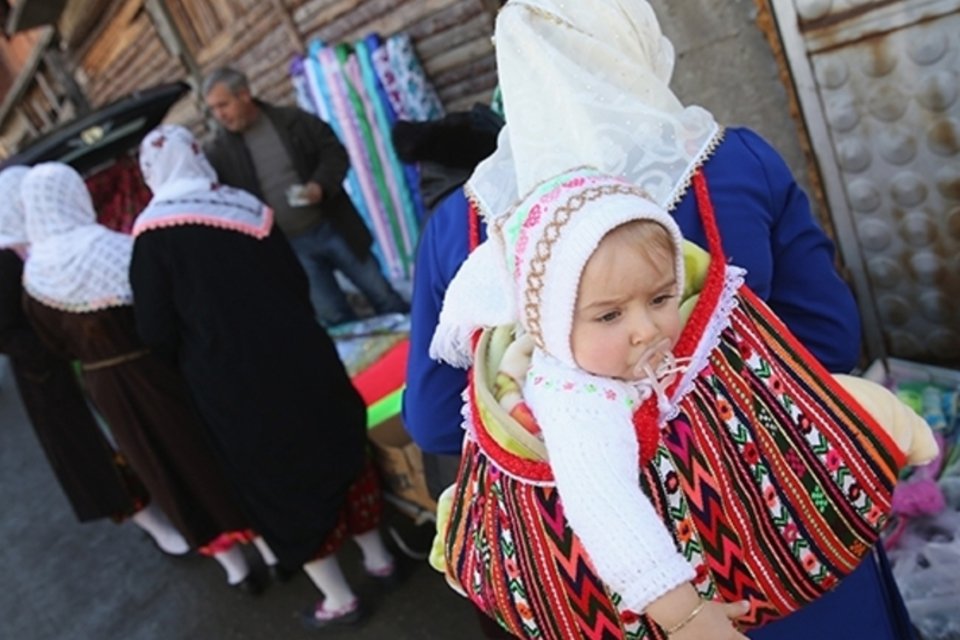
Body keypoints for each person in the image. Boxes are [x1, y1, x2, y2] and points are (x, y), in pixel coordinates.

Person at [407, 1, 915, 638]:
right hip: (788, 537)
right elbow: (830, 340)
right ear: (636, 42)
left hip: (611, 601)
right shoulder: (734, 163)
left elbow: (431, 420)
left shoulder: (462, 226)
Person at [130, 125, 397, 630]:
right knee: (337, 447)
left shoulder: (152, 237)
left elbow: (155, 331)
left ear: (152, 172)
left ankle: (340, 599)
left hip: (234, 383)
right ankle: (381, 560)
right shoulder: (246, 209)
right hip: (302, 354)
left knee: (281, 479)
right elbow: (296, 283)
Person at [19, 162, 263, 593]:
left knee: (157, 465)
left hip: (105, 386)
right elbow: (157, 311)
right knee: (204, 449)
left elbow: (54, 344)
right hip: (154, 369)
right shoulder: (116, 248)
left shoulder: (36, 276)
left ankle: (233, 568)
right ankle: (267, 546)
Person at [0, 166, 155, 532]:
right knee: (97, 453)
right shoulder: (4, 258)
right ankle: (149, 520)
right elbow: (6, 332)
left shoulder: (49, 236)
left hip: (98, 357)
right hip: (51, 373)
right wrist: (53, 344)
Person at [201, 66, 408, 327]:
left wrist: (320, 185)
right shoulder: (218, 153)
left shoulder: (292, 121)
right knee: (334, 318)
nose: (219, 115)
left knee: (384, 297)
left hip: (333, 225)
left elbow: (334, 152)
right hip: (291, 248)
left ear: (244, 95)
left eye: (224, 105)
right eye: (213, 109)